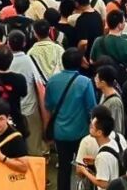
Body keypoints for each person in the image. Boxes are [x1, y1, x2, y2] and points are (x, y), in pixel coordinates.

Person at [47, 49, 98, 190]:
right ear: (80, 63)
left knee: (63, 167)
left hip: (60, 132)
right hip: (81, 132)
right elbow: (92, 108)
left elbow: (49, 105)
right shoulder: (85, 82)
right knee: (84, 166)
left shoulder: (52, 81)